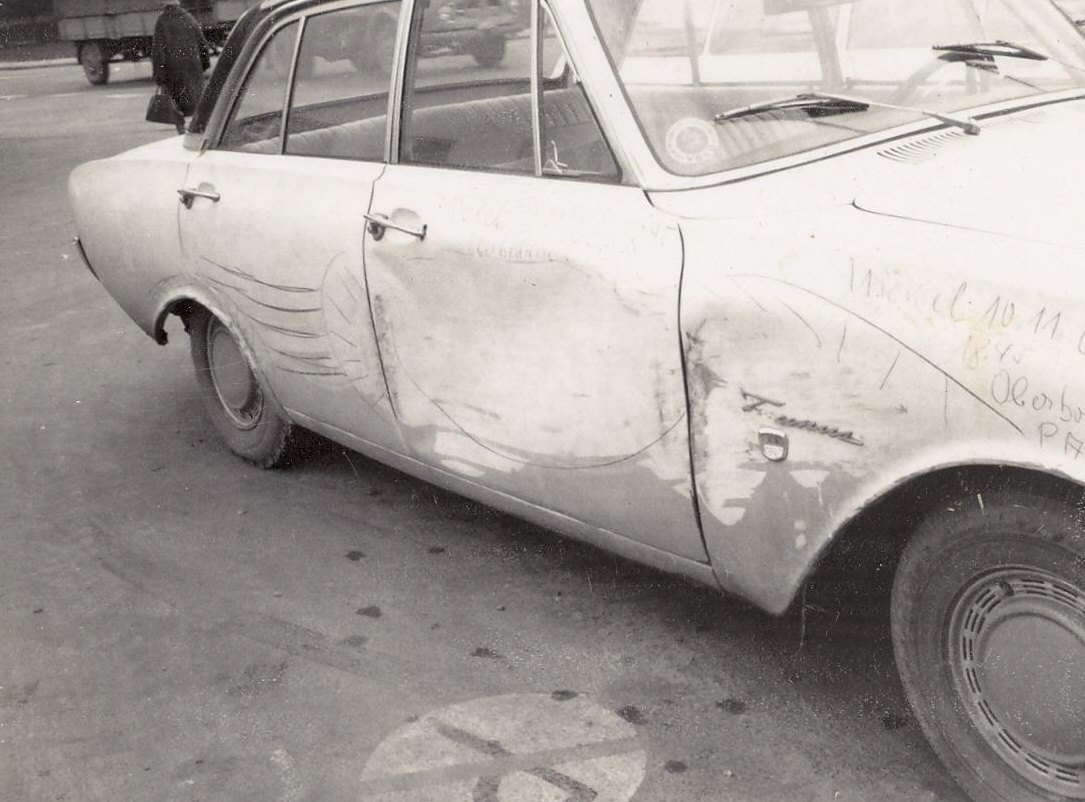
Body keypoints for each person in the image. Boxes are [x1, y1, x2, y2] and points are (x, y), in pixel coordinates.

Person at [151, 0, 211, 131]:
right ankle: (199, 127)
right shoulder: (189, 18)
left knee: (175, 102)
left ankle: (181, 129)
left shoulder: (162, 21)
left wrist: (159, 75)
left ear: (164, 5)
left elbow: (158, 50)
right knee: (196, 99)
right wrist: (205, 64)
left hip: (173, 69)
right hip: (192, 66)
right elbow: (202, 43)